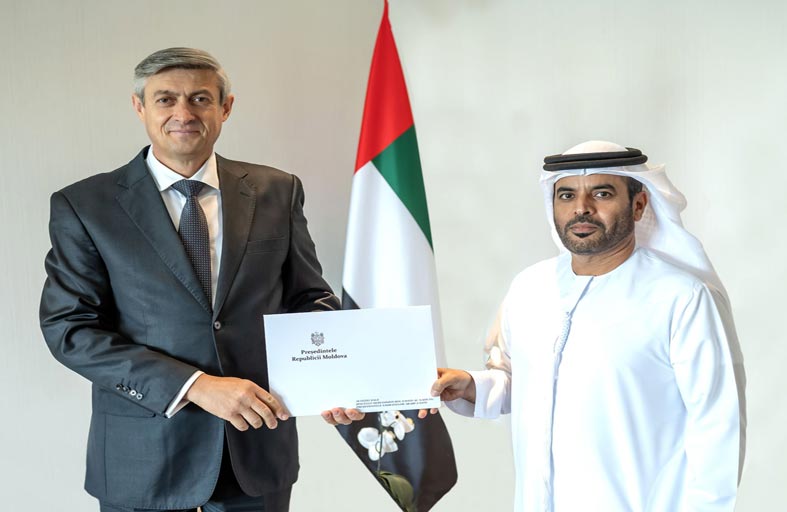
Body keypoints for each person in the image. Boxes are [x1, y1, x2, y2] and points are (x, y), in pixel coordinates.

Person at [39, 47, 361, 512]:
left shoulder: (277, 190)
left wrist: (332, 376)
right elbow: (70, 329)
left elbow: (308, 299)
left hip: (257, 453)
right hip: (144, 461)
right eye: (165, 99)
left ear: (225, 107)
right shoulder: (86, 206)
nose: (183, 113)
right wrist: (194, 385)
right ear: (139, 107)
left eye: (200, 99)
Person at [426, 141, 746, 511]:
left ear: (639, 205)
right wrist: (471, 386)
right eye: (566, 195)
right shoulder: (530, 288)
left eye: (602, 193)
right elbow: (529, 382)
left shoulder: (681, 297)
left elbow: (718, 426)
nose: (581, 208)